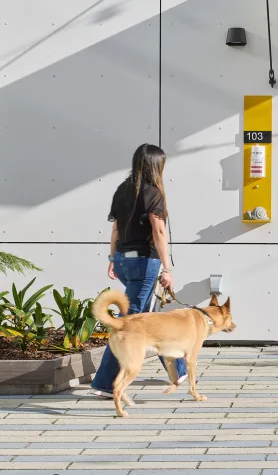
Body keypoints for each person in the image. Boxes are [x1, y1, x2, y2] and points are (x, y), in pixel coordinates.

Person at [88, 143, 187, 397]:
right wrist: (167, 268)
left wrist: (112, 258)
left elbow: (116, 229)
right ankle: (104, 384)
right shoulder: (153, 193)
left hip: (123, 260)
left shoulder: (122, 189)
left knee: (152, 317)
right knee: (128, 325)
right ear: (156, 166)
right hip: (144, 263)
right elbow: (159, 231)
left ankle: (179, 369)